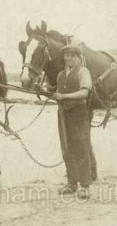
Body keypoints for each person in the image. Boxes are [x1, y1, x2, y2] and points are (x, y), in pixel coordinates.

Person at [53, 44, 93, 199]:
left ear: (78, 57)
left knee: (82, 147)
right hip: (63, 114)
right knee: (67, 147)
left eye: (72, 55)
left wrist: (63, 97)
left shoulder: (83, 72)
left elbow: (84, 92)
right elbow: (56, 92)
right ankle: (72, 183)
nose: (69, 58)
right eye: (66, 55)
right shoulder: (60, 75)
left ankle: (85, 186)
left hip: (79, 114)